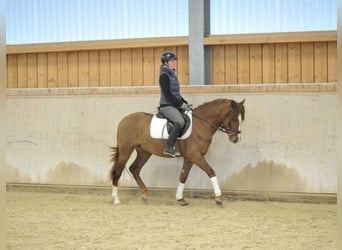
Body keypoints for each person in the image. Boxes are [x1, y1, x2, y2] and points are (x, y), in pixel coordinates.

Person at [158, 51, 192, 157]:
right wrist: (180, 104)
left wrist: (184, 102)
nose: (174, 63)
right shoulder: (164, 75)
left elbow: (176, 94)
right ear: (166, 63)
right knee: (180, 121)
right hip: (167, 105)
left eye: (174, 61)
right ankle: (168, 147)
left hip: (174, 104)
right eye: (172, 62)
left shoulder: (172, 75)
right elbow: (168, 94)